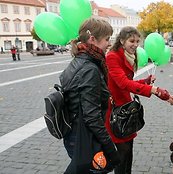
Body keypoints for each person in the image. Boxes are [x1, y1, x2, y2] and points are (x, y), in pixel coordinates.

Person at [105, 26, 170, 174]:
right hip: (116, 111)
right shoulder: (113, 56)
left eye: (137, 41)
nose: (135, 44)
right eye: (131, 41)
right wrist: (152, 90)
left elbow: (128, 83)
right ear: (122, 40)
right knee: (122, 152)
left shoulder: (128, 56)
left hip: (126, 109)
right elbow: (123, 83)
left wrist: (145, 81)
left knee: (129, 151)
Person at [59, 17, 120, 172]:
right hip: (85, 138)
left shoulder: (77, 61)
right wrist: (110, 148)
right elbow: (91, 116)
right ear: (93, 39)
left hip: (75, 135)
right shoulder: (89, 69)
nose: (109, 44)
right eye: (107, 39)